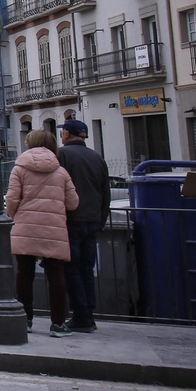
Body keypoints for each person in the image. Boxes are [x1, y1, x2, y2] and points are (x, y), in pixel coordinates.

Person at [7, 128, 79, 337]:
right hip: (54, 228)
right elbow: (73, 203)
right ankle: (57, 323)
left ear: (29, 144)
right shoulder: (61, 171)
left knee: (24, 274)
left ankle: (25, 319)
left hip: (26, 226)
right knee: (56, 276)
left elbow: (11, 199)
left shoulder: (19, 169)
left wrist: (16, 216)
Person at [58, 118, 111, 332]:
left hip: (71, 220)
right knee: (87, 269)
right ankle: (89, 313)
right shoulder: (97, 158)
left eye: (63, 132)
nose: (61, 135)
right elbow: (105, 193)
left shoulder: (62, 155)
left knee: (71, 269)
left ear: (68, 134)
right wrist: (101, 219)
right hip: (92, 220)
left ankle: (80, 315)